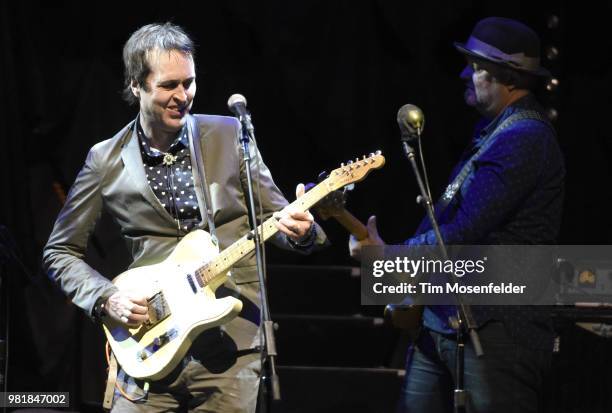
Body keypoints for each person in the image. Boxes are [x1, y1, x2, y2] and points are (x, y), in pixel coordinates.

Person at [43, 22, 327, 412]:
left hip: (230, 346)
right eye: (168, 85)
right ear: (136, 86)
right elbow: (59, 252)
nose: (183, 96)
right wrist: (108, 299)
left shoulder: (228, 135)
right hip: (149, 342)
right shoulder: (105, 158)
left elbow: (277, 219)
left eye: (189, 83)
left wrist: (301, 232)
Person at [350, 17, 564, 413]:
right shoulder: (494, 131)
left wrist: (392, 257)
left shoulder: (525, 139)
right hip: (444, 322)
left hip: (499, 332)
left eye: (477, 67)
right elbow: (448, 217)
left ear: (510, 78)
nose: (465, 74)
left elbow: (464, 230)